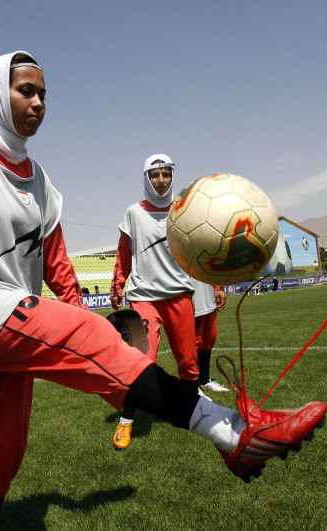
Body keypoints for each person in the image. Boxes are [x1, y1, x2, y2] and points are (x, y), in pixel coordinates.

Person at [0, 51, 326, 530]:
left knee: (3, 444)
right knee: (92, 349)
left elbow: (56, 262)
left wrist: (78, 312)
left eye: (43, 94)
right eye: (25, 90)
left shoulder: (40, 180)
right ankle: (235, 433)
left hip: (9, 314)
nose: (38, 102)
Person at [110, 154, 203, 450]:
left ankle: (191, 412)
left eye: (165, 174)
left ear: (172, 177)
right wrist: (117, 285)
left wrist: (215, 284)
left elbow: (202, 247)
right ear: (146, 178)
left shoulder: (183, 210)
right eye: (154, 175)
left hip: (179, 295)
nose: (160, 180)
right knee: (141, 360)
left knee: (188, 361)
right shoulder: (133, 213)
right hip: (144, 297)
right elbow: (124, 253)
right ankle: (126, 421)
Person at [193, 280, 230, 392]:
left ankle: (204, 381)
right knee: (194, 340)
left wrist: (218, 288)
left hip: (209, 295)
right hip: (192, 293)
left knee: (209, 338)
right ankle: (193, 385)